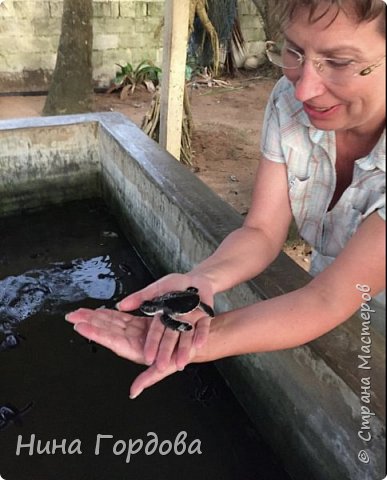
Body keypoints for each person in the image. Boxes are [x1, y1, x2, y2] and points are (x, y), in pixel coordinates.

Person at [66, 0, 386, 399]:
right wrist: (202, 280)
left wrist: (200, 342)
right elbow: (262, 230)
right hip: (327, 289)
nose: (304, 87)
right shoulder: (289, 104)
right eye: (294, 51)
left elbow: (326, 300)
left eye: (338, 61)